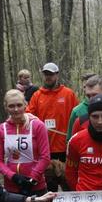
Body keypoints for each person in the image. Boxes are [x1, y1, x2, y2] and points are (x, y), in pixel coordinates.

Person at [26, 62, 79, 193]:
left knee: (68, 177)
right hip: (45, 146)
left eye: (51, 74)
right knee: (49, 179)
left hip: (65, 145)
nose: (48, 77)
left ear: (57, 75)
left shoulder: (68, 94)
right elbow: (28, 115)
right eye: (46, 74)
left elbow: (77, 116)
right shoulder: (37, 96)